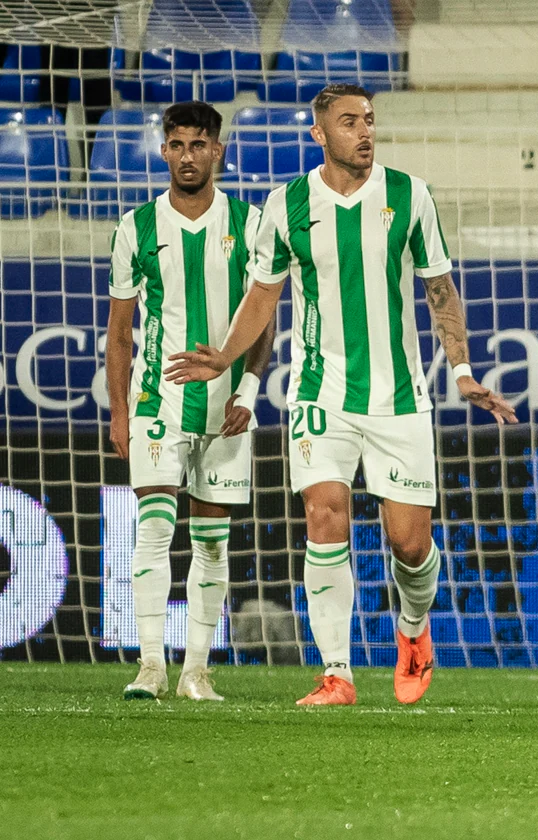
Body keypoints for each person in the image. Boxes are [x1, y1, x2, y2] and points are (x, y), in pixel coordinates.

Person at [165, 83, 517, 706]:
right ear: (320, 134)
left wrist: (461, 370)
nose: (365, 131)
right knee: (325, 518)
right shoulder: (287, 204)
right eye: (350, 122)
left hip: (399, 398)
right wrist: (224, 353)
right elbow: (263, 296)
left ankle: (413, 630)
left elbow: (441, 289)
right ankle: (337, 674)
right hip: (318, 393)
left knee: (410, 545)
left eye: (370, 120)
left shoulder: (410, 195)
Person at [106, 100, 274, 701]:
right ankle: (151, 666)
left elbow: (264, 320)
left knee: (212, 542)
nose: (186, 156)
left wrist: (250, 390)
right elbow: (120, 331)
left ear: (217, 150)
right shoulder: (137, 227)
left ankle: (196, 672)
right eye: (176, 145)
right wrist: (121, 412)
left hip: (227, 408)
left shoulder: (252, 224)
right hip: (159, 400)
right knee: (153, 528)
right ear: (163, 152)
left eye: (197, 145)